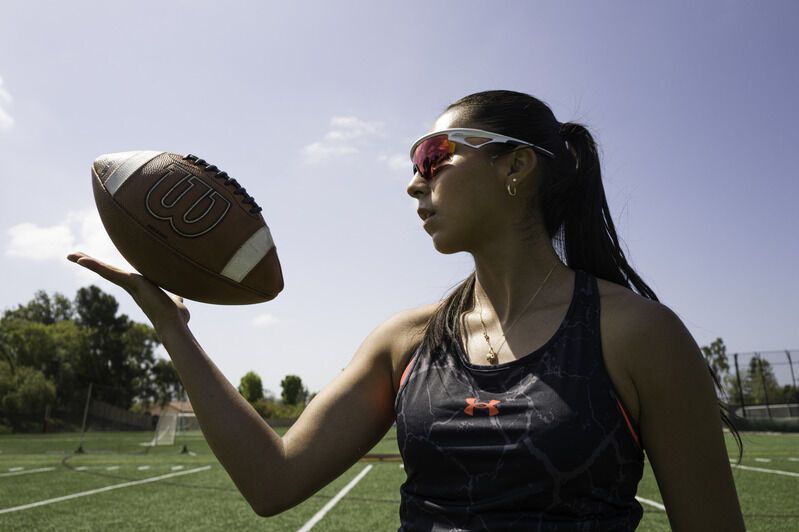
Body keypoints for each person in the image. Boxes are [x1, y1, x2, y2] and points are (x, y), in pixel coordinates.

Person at [68, 89, 746, 531]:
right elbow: (271, 481)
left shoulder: (637, 335)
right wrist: (170, 325)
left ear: (516, 169)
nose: (412, 180)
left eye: (432, 156)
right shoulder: (404, 340)